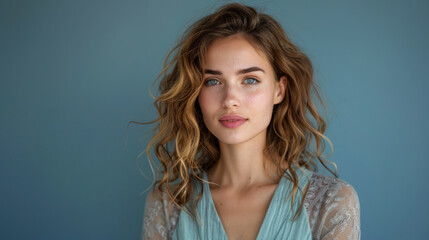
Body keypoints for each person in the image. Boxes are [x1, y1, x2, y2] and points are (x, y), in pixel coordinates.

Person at [141, 3, 360, 240]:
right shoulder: (168, 204)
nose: (230, 100)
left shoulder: (330, 203)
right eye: (212, 81)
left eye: (250, 80)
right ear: (195, 94)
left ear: (279, 90)